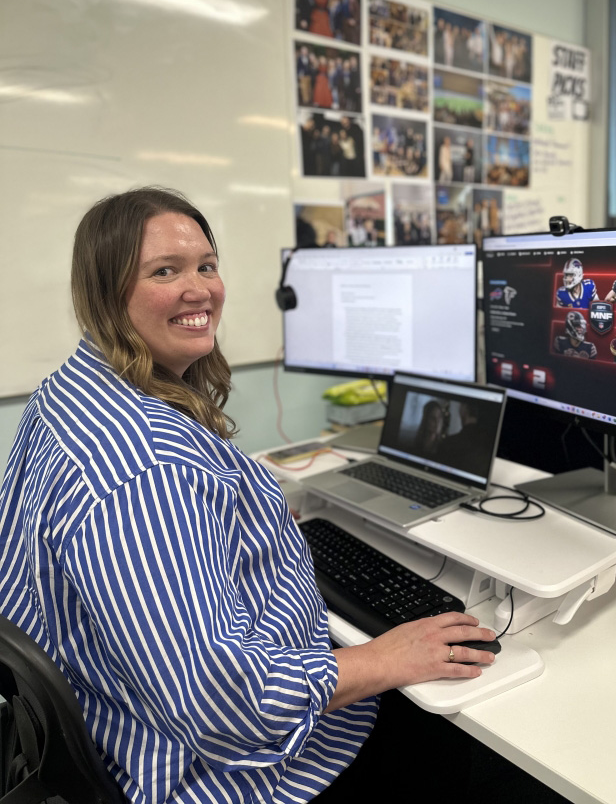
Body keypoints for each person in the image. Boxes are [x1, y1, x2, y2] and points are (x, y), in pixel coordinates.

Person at [0, 187, 497, 803]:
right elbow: (226, 703)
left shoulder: (70, 392)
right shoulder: (147, 470)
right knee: (456, 733)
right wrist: (385, 657)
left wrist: (250, 524)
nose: (200, 290)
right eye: (165, 271)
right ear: (105, 292)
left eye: (206, 265)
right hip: (217, 771)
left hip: (116, 719)